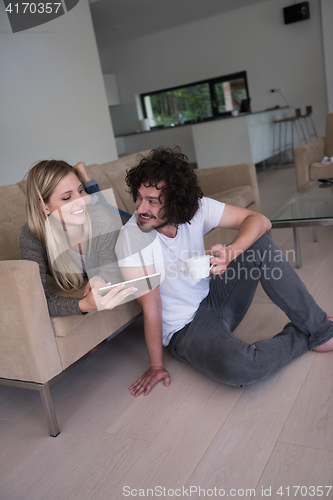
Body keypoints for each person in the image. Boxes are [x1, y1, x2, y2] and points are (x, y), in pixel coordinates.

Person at [115, 146, 333, 397]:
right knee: (244, 367)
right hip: (185, 329)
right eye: (139, 197)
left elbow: (260, 220)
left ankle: (317, 327)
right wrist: (156, 365)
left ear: (176, 202)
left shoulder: (195, 208)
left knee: (258, 242)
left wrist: (231, 252)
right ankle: (314, 331)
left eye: (152, 201)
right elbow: (151, 308)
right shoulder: (132, 238)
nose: (141, 208)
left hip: (215, 297)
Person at [21, 160, 137, 317]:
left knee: (144, 225)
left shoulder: (100, 218)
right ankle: (87, 179)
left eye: (81, 190)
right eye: (67, 197)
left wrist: (99, 277)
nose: (82, 200)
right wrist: (84, 305)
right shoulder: (32, 237)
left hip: (122, 225)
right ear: (44, 207)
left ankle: (88, 181)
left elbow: (111, 268)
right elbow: (38, 300)